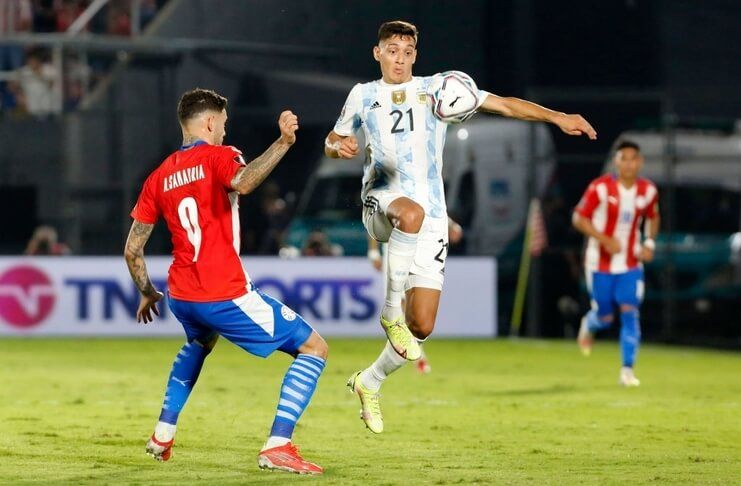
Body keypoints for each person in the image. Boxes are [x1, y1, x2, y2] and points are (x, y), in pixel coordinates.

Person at [325, 20, 597, 433]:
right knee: (408, 223)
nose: (399, 58)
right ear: (377, 53)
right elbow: (334, 137)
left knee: (423, 325)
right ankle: (388, 314)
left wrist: (557, 117)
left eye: (407, 51)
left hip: (433, 214)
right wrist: (337, 145)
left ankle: (369, 381)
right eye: (392, 50)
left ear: (415, 55)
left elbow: (504, 104)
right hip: (381, 200)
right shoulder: (362, 95)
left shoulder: (438, 89)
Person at [124, 88, 327, 474]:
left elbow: (132, 250)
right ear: (211, 121)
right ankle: (278, 445)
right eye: (223, 124)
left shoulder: (158, 176)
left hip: (182, 293)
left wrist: (148, 292)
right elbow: (245, 182)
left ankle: (162, 434)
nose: (223, 131)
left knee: (200, 342)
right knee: (314, 348)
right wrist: (283, 143)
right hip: (222, 291)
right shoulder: (221, 155)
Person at [573, 140, 659, 387]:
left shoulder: (648, 191)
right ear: (616, 161)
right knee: (606, 317)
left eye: (634, 158)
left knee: (630, 312)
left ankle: (627, 371)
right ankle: (590, 322)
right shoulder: (600, 188)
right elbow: (579, 218)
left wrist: (650, 243)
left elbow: (654, 216)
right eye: (625, 158)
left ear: (640, 162)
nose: (630, 163)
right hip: (599, 263)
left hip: (631, 263)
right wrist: (604, 239)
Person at [367, 217, 463, 374]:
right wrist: (372, 251)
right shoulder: (392, 194)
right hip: (394, 252)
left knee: (414, 311)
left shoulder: (422, 193)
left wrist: (452, 224)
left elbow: (433, 206)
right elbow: (375, 215)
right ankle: (413, 356)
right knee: (399, 308)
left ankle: (410, 355)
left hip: (421, 252)